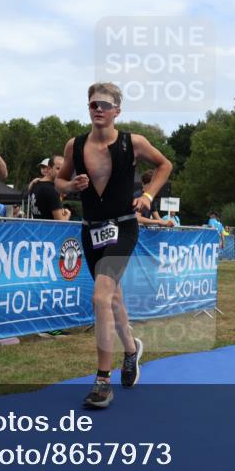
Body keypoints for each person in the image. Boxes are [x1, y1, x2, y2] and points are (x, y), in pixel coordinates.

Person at [55, 82, 172, 409]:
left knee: (101, 296)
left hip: (123, 227)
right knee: (114, 300)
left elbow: (165, 165)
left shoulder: (132, 143)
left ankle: (102, 381)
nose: (98, 109)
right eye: (93, 104)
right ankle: (131, 350)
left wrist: (148, 196)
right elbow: (59, 183)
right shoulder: (74, 145)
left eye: (105, 104)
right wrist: (71, 184)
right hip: (91, 231)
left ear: (117, 110)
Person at [29, 154, 69, 221]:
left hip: (37, 229)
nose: (61, 172)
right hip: (51, 230)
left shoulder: (34, 184)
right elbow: (61, 223)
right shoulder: (52, 190)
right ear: (49, 169)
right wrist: (68, 215)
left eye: (63, 169)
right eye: (58, 168)